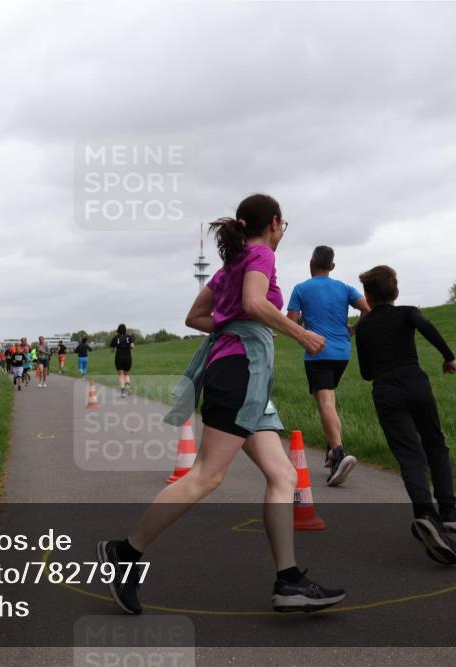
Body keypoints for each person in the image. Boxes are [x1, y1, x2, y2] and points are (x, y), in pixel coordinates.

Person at [97, 193, 345, 615]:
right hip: (240, 373)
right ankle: (125, 553)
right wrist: (300, 335)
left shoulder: (232, 265)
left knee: (283, 474)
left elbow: (195, 317)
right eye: (283, 226)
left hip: (245, 376)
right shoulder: (261, 255)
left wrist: (232, 325)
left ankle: (288, 582)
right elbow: (252, 303)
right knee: (207, 476)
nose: (282, 233)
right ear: (274, 222)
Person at [354, 265, 456, 565]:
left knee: (409, 455)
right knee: (436, 446)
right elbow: (427, 328)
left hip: (386, 389)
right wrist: (449, 358)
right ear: (396, 292)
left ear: (368, 297)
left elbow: (365, 374)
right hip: (416, 382)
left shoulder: (362, 328)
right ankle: (449, 514)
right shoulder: (408, 312)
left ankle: (426, 515)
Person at [286, 245, 370, 486]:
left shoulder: (301, 288)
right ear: (332, 266)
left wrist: (305, 334)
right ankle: (331, 450)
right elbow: (367, 308)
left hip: (317, 352)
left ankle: (339, 452)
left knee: (325, 403)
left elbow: (291, 322)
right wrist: (353, 329)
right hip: (342, 353)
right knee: (328, 402)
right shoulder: (344, 288)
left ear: (311, 263)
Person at [110, 324, 135, 396]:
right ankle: (127, 385)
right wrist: (127, 347)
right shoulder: (129, 337)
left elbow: (111, 350)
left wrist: (114, 349)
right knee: (126, 373)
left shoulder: (115, 337)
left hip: (119, 357)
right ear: (125, 329)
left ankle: (123, 392)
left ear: (118, 330)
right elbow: (132, 346)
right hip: (127, 357)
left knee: (121, 374)